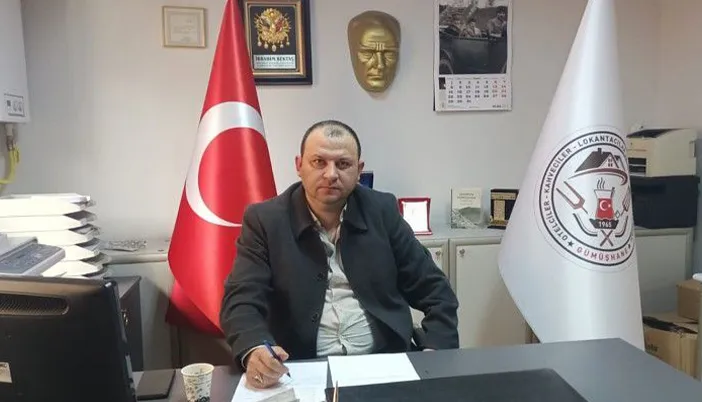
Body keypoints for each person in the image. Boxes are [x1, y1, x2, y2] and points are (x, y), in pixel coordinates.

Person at [220, 120, 459, 389]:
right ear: (299, 165)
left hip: (385, 362)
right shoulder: (265, 220)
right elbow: (241, 299)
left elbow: (435, 289)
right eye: (319, 162)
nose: (331, 174)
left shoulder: (382, 211)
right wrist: (255, 347)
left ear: (359, 170)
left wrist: (435, 349)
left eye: (343, 164)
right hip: (299, 368)